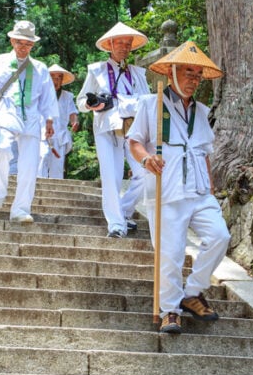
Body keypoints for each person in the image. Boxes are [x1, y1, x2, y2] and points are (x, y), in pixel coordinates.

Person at [127, 41, 231, 334]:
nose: (193, 79)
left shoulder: (201, 111)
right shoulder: (151, 104)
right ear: (172, 72)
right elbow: (134, 141)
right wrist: (147, 159)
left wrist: (210, 187)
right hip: (167, 189)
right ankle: (169, 311)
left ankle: (192, 292)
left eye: (198, 74)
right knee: (170, 253)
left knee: (220, 236)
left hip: (199, 190)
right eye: (188, 72)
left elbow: (205, 152)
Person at [0, 20, 58, 223]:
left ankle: (21, 209)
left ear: (33, 45)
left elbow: (48, 97)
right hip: (5, 112)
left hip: (32, 117)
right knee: (2, 148)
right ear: (12, 41)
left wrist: (50, 120)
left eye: (28, 44)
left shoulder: (40, 68)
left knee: (29, 165)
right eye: (20, 42)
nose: (23, 47)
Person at [76, 22, 150, 238]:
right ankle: (116, 224)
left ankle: (125, 211)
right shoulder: (97, 70)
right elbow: (81, 101)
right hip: (106, 127)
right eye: (120, 42)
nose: (124, 47)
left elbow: (147, 101)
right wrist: (92, 105)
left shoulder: (137, 73)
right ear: (110, 44)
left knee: (144, 172)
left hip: (132, 128)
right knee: (111, 176)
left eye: (128, 43)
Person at [39, 64, 80, 179]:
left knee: (56, 168)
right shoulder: (40, 93)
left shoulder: (67, 96)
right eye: (52, 77)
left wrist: (74, 122)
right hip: (42, 133)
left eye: (58, 78)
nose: (55, 80)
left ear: (62, 80)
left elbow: (73, 112)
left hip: (59, 136)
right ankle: (37, 189)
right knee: (42, 157)